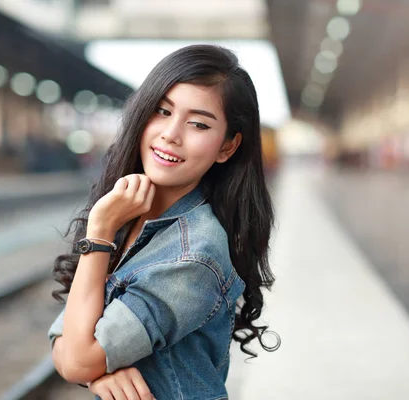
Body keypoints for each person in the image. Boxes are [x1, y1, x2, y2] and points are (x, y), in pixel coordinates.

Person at [48, 44, 279, 400]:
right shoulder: (129, 217)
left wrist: (98, 233)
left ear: (227, 147)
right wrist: (98, 372)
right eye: (162, 111)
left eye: (199, 123)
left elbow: (75, 359)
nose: (171, 133)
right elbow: (63, 342)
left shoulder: (195, 254)